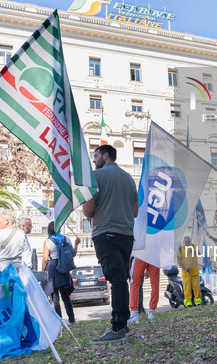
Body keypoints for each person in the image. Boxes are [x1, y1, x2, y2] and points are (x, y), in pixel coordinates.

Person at [82, 144, 138, 344]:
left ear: (106, 156)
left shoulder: (96, 177)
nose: (94, 160)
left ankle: (118, 326)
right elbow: (135, 212)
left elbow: (88, 211)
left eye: (96, 155)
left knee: (117, 279)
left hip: (105, 233)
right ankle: (122, 325)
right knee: (121, 278)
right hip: (126, 235)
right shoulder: (129, 179)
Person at [42, 221, 80, 324]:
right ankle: (72, 320)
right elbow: (73, 254)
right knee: (66, 297)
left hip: (53, 269)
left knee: (55, 297)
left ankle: (59, 321)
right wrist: (76, 244)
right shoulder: (66, 238)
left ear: (49, 229)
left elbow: (45, 258)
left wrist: (42, 271)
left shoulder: (48, 241)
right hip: (64, 268)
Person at [128, 256, 160, 322]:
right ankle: (152, 312)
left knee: (134, 284)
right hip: (154, 255)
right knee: (155, 285)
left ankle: (134, 314)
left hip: (140, 254)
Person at [176, 236, 202, 307]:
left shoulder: (194, 246)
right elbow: (178, 260)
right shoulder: (180, 249)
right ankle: (188, 302)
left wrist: (193, 251)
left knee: (196, 287)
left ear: (190, 241)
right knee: (187, 288)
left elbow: (199, 253)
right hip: (186, 272)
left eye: (188, 242)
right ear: (183, 242)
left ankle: (198, 301)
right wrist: (184, 268)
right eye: (186, 242)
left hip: (195, 271)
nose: (187, 243)